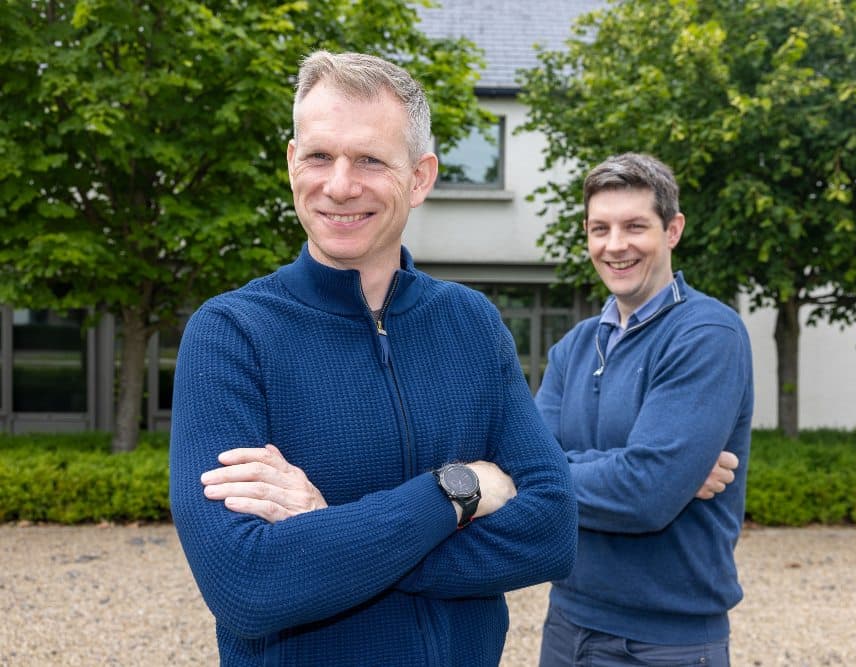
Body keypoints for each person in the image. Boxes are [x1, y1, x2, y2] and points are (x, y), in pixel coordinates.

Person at [168, 51, 578, 666]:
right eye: (318, 156)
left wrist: (331, 528)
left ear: (420, 178)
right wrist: (451, 495)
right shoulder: (230, 335)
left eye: (369, 160)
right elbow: (247, 584)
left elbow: (552, 531)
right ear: (291, 162)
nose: (339, 185)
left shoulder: (471, 324)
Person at [534, 153, 754, 666]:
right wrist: (663, 471)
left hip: (665, 644)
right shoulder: (574, 347)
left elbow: (645, 496)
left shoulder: (707, 334)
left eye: (635, 226)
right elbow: (524, 467)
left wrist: (657, 478)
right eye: (600, 229)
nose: (615, 245)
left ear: (672, 230)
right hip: (566, 625)